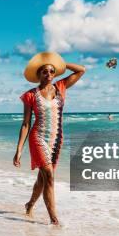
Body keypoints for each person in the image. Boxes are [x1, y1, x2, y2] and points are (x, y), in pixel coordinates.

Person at [13, 52, 85, 225]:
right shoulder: (30, 95)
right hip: (37, 137)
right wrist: (19, 150)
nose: (49, 74)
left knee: (42, 178)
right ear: (39, 74)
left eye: (52, 71)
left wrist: (60, 63)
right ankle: (54, 220)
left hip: (56, 139)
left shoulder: (61, 86)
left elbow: (81, 70)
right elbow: (25, 124)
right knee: (49, 177)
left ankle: (29, 204)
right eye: (45, 71)